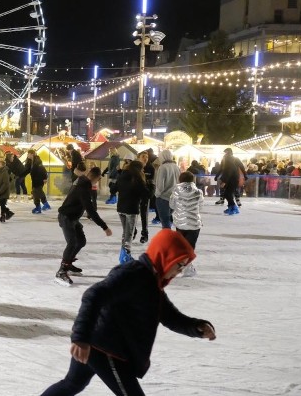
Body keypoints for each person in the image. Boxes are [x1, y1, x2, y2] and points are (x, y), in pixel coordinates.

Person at [40, 229, 217, 396]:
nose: (179, 272)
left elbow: (169, 316)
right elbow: (93, 295)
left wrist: (197, 327)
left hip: (99, 345)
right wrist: (81, 338)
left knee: (72, 383)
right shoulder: (134, 274)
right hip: (106, 349)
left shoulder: (152, 283)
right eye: (179, 265)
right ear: (165, 257)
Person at [55, 167, 112, 286]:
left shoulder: (83, 182)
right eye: (98, 179)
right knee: (72, 242)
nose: (97, 182)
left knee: (81, 241)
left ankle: (68, 264)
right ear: (96, 177)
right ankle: (62, 271)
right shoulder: (83, 187)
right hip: (66, 217)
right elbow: (90, 209)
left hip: (73, 218)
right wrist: (104, 227)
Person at [170, 171, 204, 277]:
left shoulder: (176, 191)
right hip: (194, 223)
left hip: (180, 223)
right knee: (190, 246)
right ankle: (187, 267)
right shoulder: (198, 192)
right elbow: (200, 207)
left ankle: (182, 265)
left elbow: (171, 205)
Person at [116, 160, 149, 264]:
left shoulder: (122, 176)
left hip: (121, 208)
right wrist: (151, 187)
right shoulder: (137, 179)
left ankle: (124, 254)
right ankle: (125, 257)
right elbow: (147, 194)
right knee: (129, 234)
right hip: (131, 209)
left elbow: (112, 189)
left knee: (125, 233)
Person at [153, 149, 180, 229]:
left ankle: (167, 239)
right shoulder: (176, 167)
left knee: (165, 222)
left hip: (163, 198)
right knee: (168, 218)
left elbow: (160, 184)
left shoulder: (163, 167)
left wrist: (157, 195)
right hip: (174, 197)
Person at [216, 148, 246, 215]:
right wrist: (217, 176)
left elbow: (232, 171)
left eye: (226, 153)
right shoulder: (226, 160)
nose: (225, 154)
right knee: (227, 193)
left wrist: (224, 181)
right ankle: (230, 207)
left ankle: (234, 208)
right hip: (230, 179)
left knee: (228, 194)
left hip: (232, 179)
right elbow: (222, 169)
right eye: (225, 153)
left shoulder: (232, 160)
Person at [137, 151, 155, 244]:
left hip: (145, 195)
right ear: (138, 158)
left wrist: (149, 193)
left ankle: (145, 234)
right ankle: (133, 231)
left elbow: (152, 182)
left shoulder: (150, 168)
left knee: (144, 216)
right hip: (135, 195)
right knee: (133, 215)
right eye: (143, 156)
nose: (145, 158)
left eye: (147, 157)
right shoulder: (134, 167)